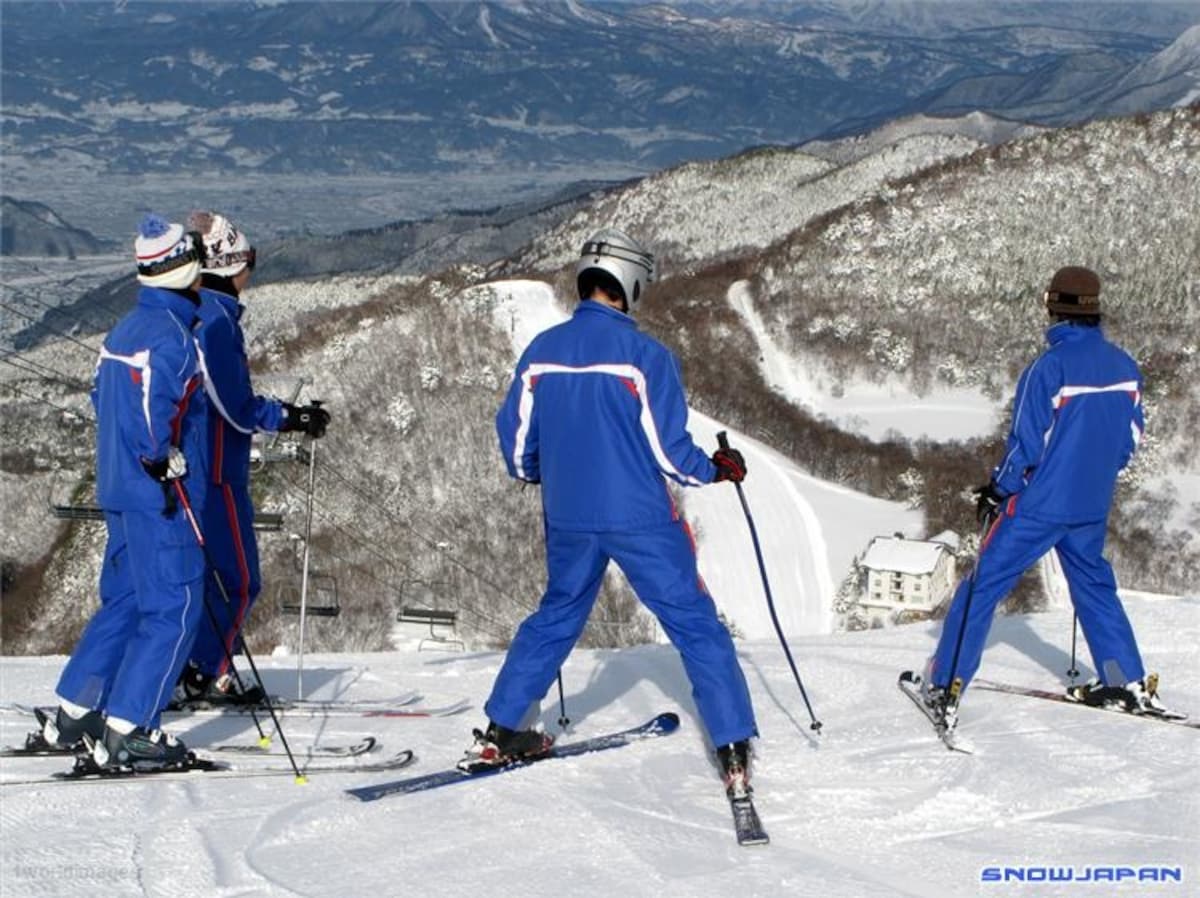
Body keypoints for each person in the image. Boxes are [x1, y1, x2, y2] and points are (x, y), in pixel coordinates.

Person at [469, 227, 759, 794]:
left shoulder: (540, 352)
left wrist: (539, 472)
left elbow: (517, 442)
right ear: (629, 285)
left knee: (556, 615)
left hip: (569, 515)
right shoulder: (645, 356)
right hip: (639, 517)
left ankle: (502, 728)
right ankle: (732, 746)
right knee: (695, 624)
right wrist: (718, 469)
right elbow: (669, 454)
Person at [918, 265, 1165, 730]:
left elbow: (1026, 445)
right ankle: (1124, 678)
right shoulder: (1124, 366)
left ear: (1054, 307)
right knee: (1094, 587)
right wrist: (1092, 476)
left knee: (980, 588)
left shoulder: (1047, 368)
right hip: (1090, 505)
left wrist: (999, 490)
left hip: (1038, 506)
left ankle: (944, 685)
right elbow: (1129, 438)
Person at [42, 214, 210, 767]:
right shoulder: (173, 339)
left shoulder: (123, 331)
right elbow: (151, 413)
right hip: (159, 499)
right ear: (182, 270)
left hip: (117, 489)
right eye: (195, 261)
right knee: (174, 606)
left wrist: (132, 461)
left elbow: (102, 401)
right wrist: (161, 461)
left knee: (129, 599)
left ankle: (78, 709)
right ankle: (131, 728)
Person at [173, 210, 330, 706]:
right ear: (233, 264)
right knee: (238, 581)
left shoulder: (199, 314)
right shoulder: (216, 321)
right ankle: (199, 672)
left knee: (200, 581)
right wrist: (289, 418)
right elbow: (234, 405)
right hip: (216, 472)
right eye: (250, 261)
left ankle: (189, 670)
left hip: (202, 467)